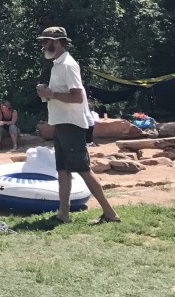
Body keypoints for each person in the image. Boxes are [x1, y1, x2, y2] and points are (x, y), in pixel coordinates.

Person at [35, 27, 120, 224]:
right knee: (63, 170)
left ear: (56, 42)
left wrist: (51, 94)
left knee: (83, 169)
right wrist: (47, 94)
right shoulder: (57, 64)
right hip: (61, 124)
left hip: (72, 125)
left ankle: (110, 213)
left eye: (45, 41)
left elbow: (77, 96)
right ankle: (63, 214)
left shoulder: (67, 65)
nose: (42, 45)